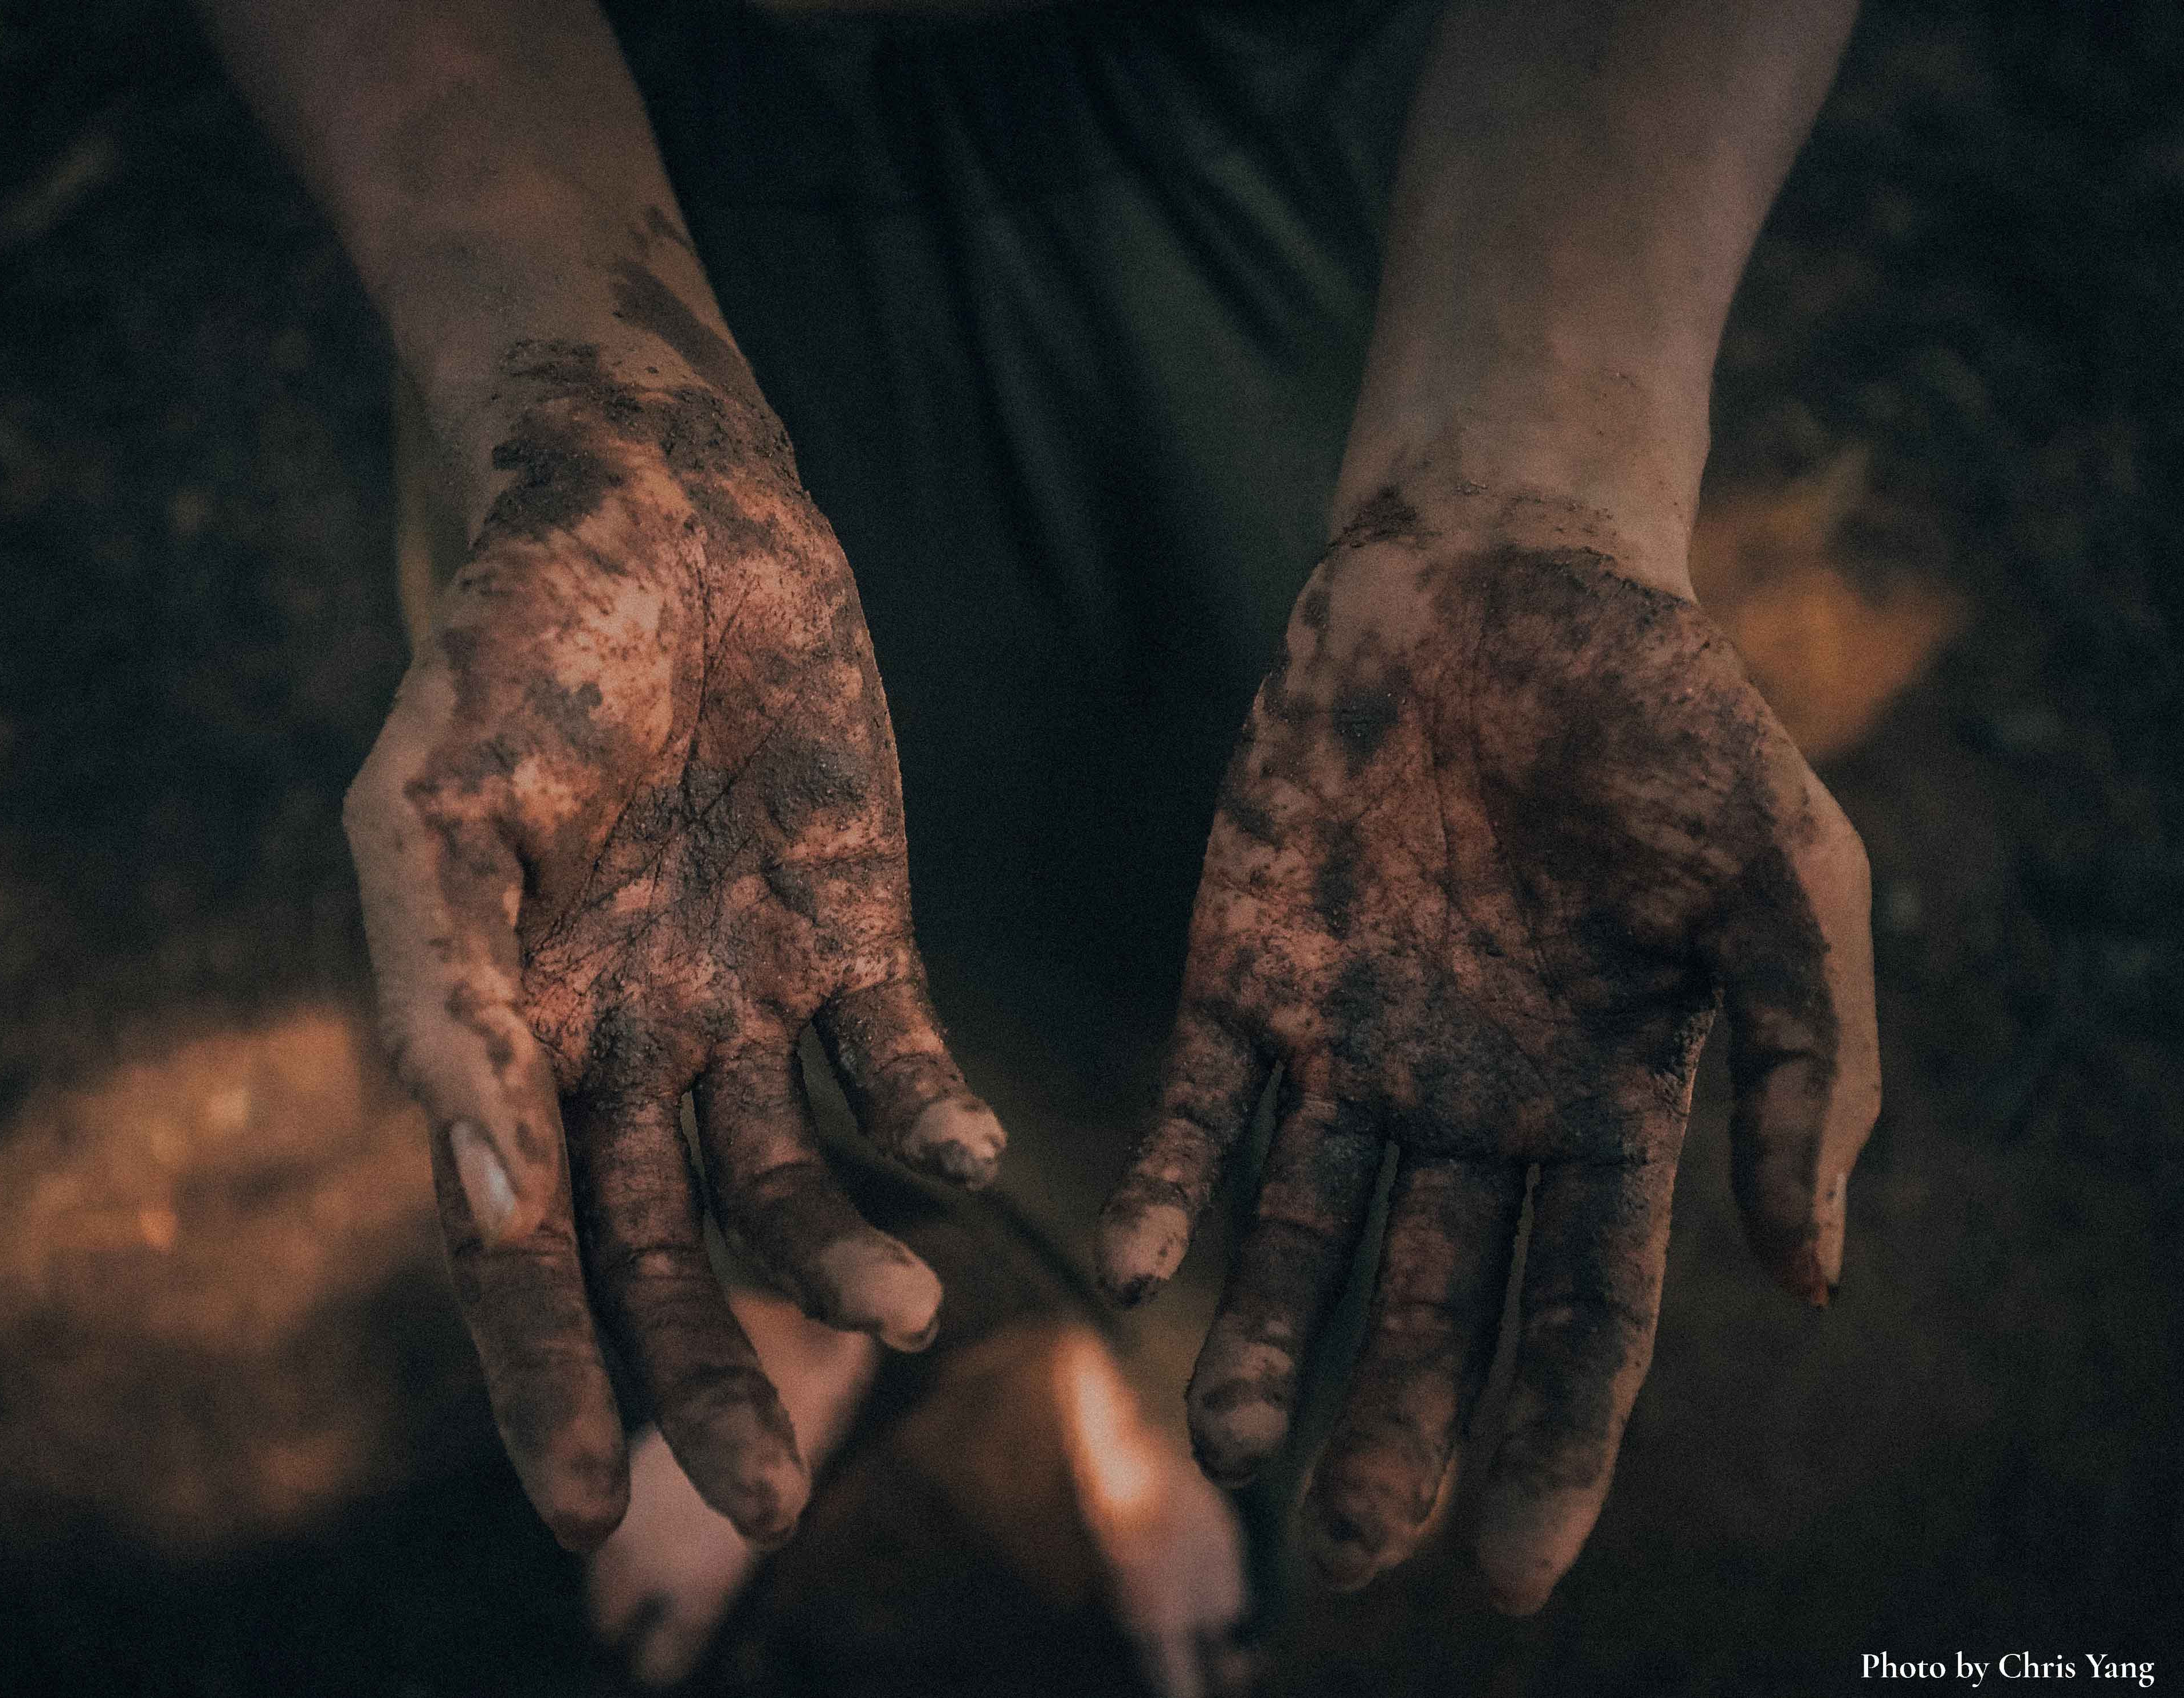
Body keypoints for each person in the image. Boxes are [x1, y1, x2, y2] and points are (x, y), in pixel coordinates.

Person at [200, 0, 1881, 1622]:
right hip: (586, 186)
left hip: (1358, 225)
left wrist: (1535, 473)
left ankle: (1136, 1348)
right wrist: (576, 391)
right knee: (703, 942)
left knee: (1243, 947)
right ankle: (814, 1291)